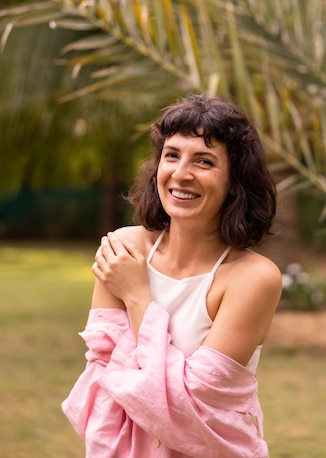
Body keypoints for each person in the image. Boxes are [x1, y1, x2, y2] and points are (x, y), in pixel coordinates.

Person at [62, 93, 282, 458]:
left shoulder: (252, 278)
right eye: (172, 155)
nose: (181, 174)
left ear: (235, 181)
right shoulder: (124, 248)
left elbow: (191, 408)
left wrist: (136, 297)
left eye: (204, 161)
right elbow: (102, 389)